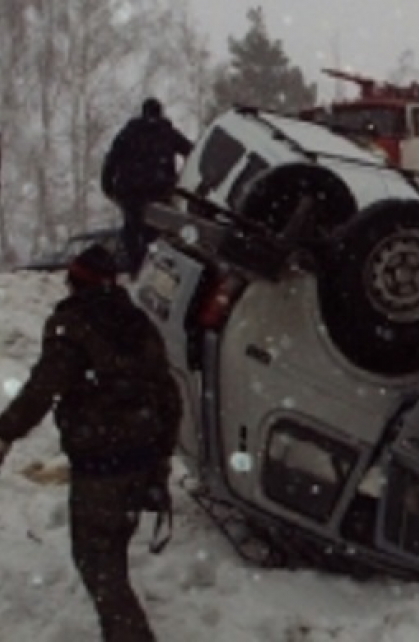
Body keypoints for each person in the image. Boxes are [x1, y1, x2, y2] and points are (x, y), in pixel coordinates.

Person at [0, 245, 182, 642]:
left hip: (102, 463)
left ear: (74, 280)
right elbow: (169, 394)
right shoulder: (138, 323)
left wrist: (5, 431)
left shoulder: (73, 325)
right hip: (141, 459)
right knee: (112, 552)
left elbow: (42, 389)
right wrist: (161, 457)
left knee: (97, 560)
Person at [101, 97, 193, 275]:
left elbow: (112, 159)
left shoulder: (128, 133)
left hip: (131, 191)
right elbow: (190, 150)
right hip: (158, 192)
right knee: (156, 232)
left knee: (132, 230)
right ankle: (153, 268)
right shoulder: (167, 133)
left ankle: (135, 266)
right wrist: (181, 181)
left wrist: (108, 185)